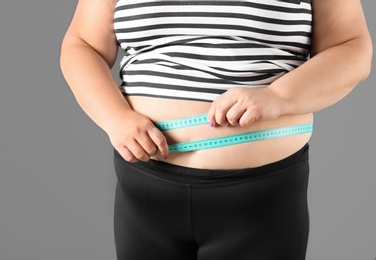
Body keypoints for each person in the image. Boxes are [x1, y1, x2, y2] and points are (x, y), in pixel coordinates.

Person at [60, 0, 372, 259]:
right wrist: (114, 117)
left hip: (262, 197)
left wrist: (279, 97)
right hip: (144, 189)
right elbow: (82, 44)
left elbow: (352, 48)